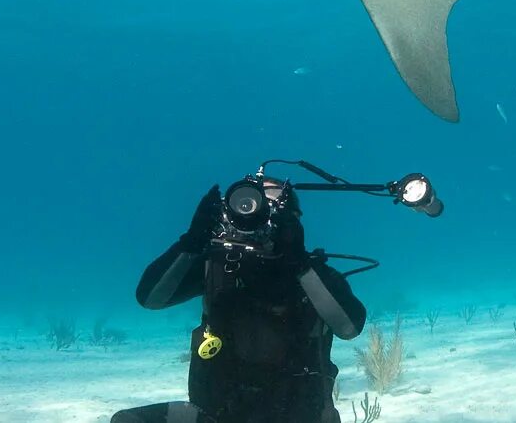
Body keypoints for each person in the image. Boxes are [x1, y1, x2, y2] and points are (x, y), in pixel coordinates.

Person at [111, 179, 367, 423]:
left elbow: (349, 328)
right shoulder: (218, 267)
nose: (263, 216)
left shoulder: (315, 276)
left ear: (293, 219)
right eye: (253, 204)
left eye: (275, 208)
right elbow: (151, 298)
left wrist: (300, 264)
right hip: (216, 416)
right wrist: (190, 242)